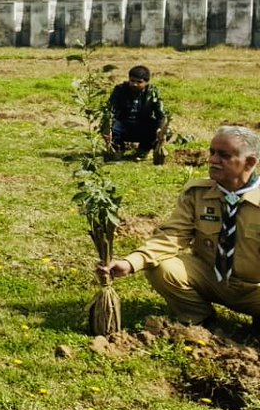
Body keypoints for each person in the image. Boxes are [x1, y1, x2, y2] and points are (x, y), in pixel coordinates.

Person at [100, 126, 260, 331]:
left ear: (250, 162)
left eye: (224, 155)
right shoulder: (198, 194)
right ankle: (199, 319)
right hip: (211, 278)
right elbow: (173, 235)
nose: (212, 160)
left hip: (254, 290)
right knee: (161, 267)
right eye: (212, 152)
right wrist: (131, 262)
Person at [104, 65, 167, 161]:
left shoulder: (153, 92)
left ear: (146, 82)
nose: (134, 84)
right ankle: (118, 149)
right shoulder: (120, 90)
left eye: (139, 82)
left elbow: (161, 115)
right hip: (123, 125)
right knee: (107, 125)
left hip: (142, 126)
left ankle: (144, 150)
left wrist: (160, 130)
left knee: (165, 130)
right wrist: (107, 129)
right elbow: (110, 111)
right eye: (132, 81)